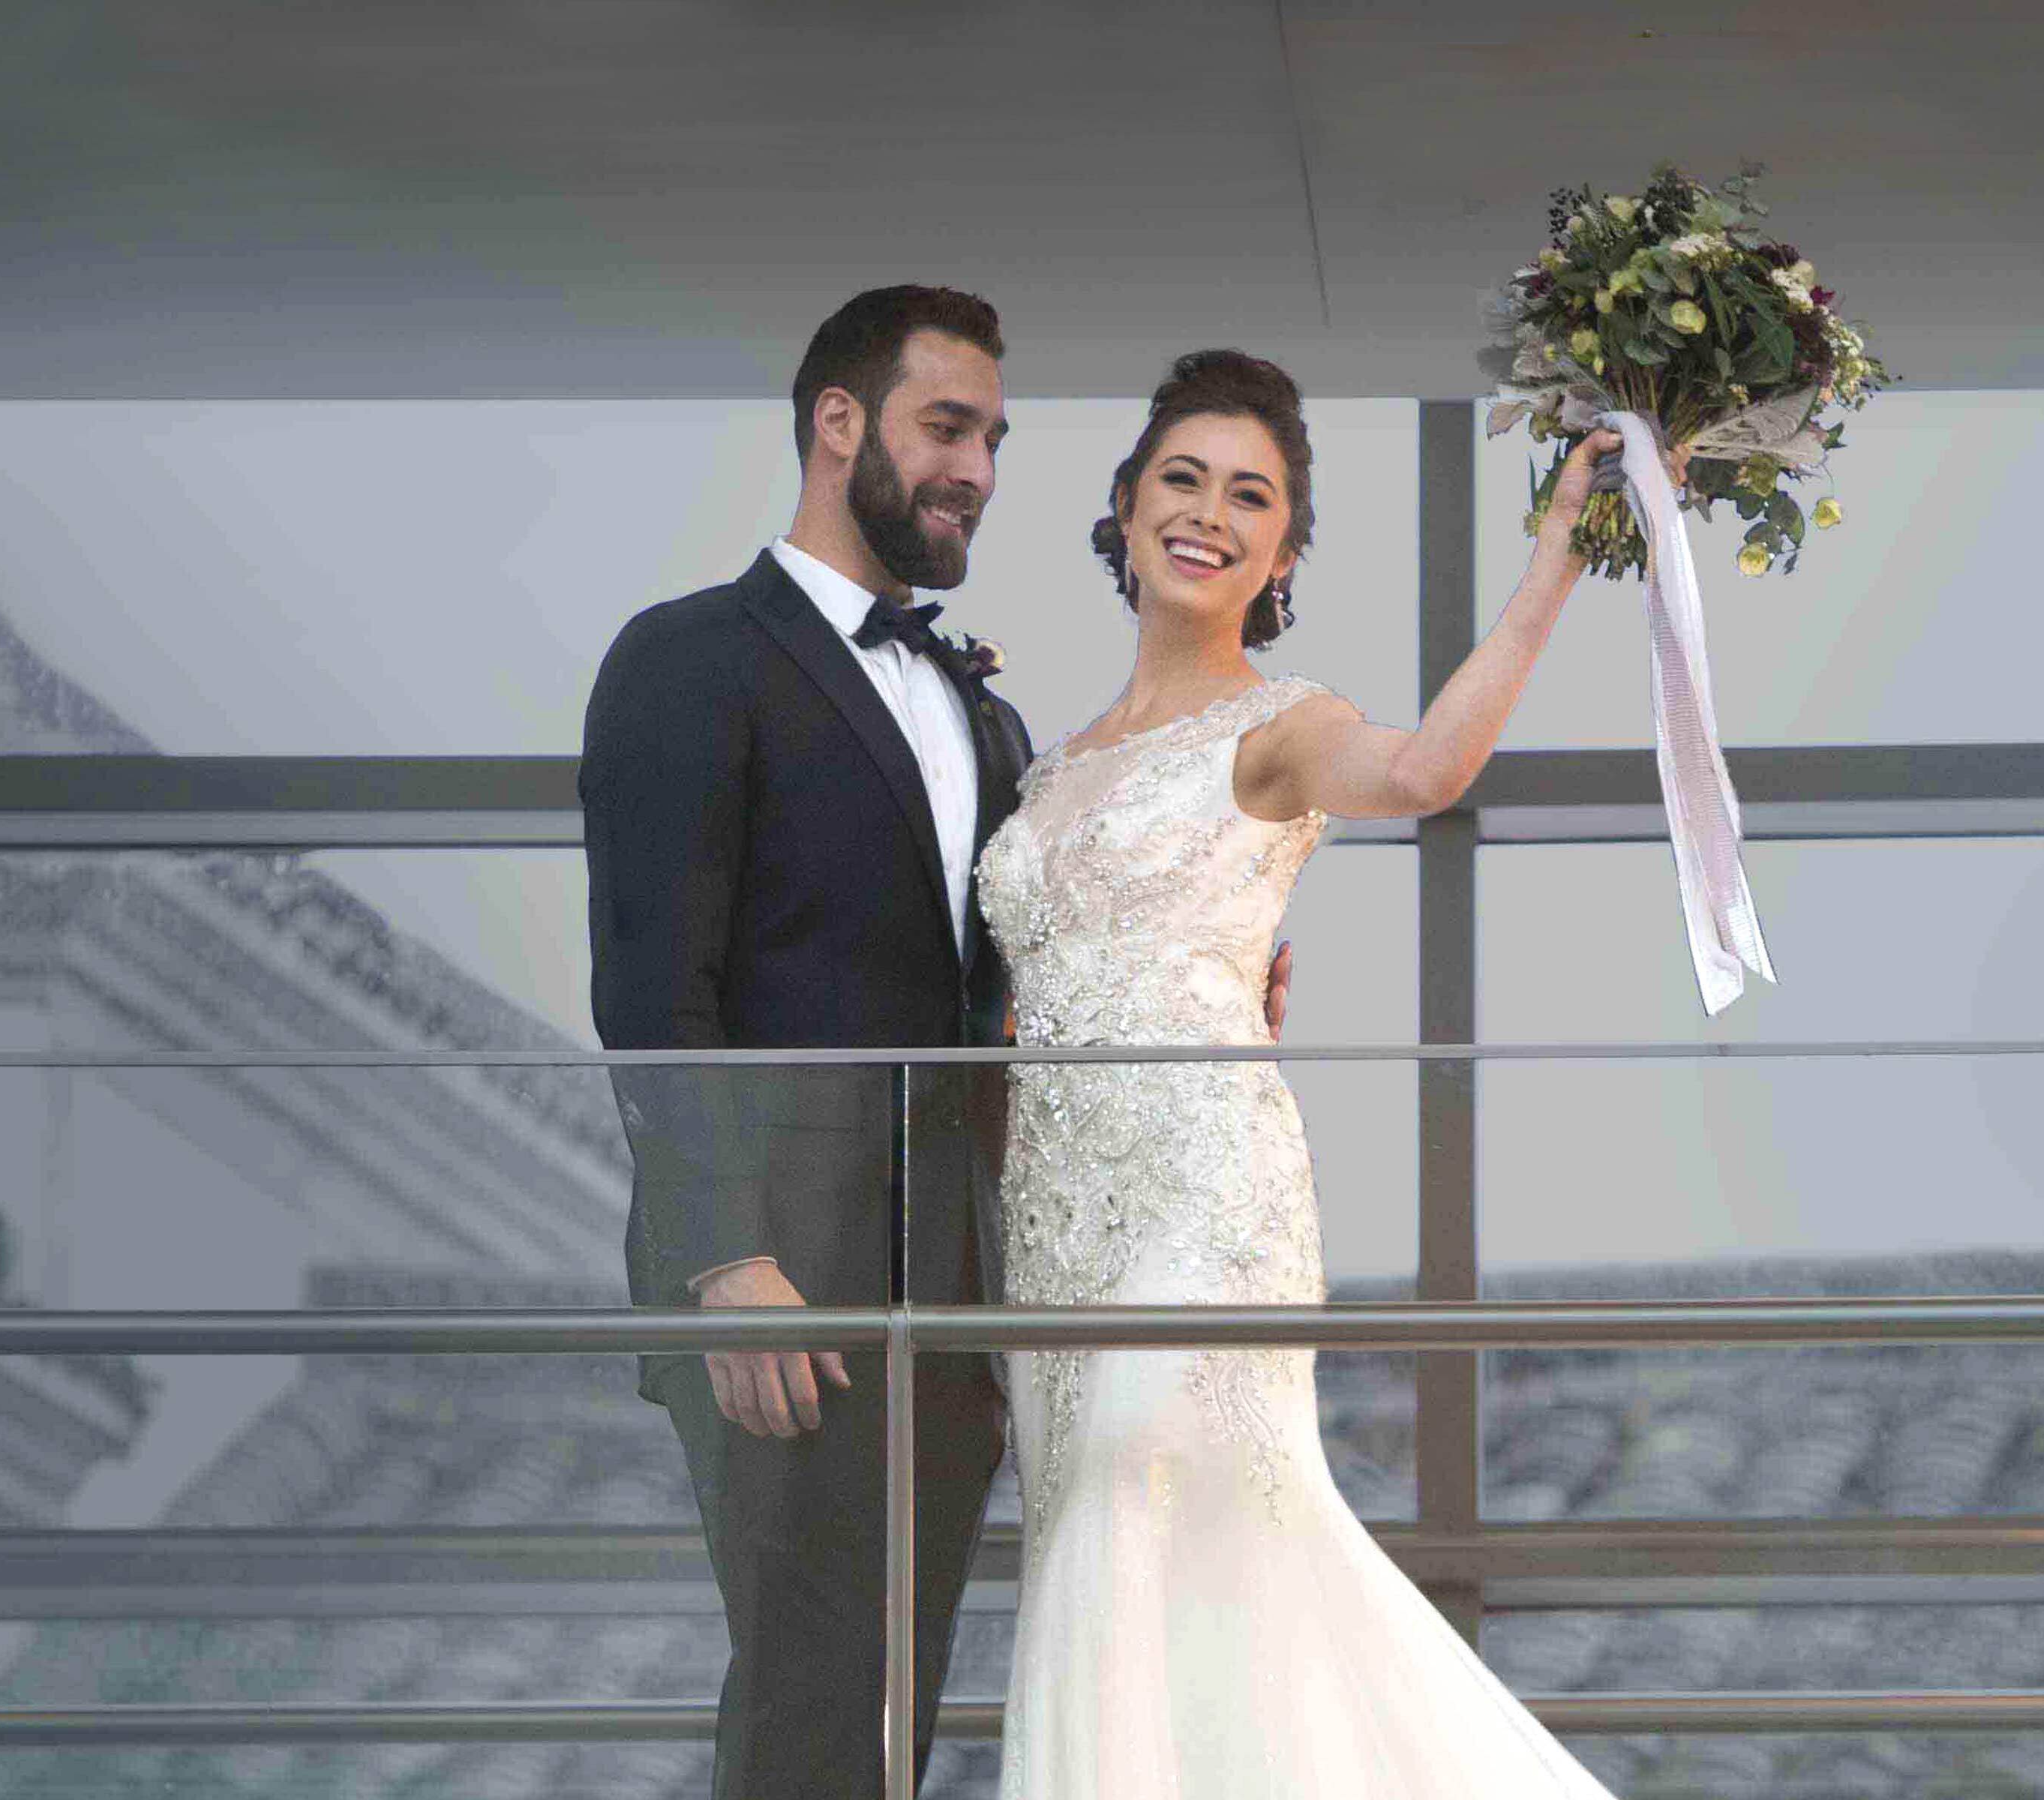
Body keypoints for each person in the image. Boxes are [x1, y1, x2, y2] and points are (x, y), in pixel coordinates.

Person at [581, 289, 1292, 1798]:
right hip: (782, 1275)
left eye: (993, 438)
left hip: (953, 1287)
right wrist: (725, 1260)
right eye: (945, 427)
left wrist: (1204, 992)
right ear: (839, 425)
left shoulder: (983, 716)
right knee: (809, 1688)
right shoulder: (689, 658)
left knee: (886, 1697)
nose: (975, 467)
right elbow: (653, 984)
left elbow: (994, 996)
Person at [975, 348, 1662, 1796]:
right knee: (1148, 1570)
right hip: (1050, 1237)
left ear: (1281, 550)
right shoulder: (1050, 764)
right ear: (1121, 501)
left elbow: (1422, 776)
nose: (1208, 514)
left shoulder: (1281, 725)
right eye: (1183, 478)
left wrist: (1548, 563)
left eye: (1251, 497)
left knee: (1153, 1522)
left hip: (1203, 1206)